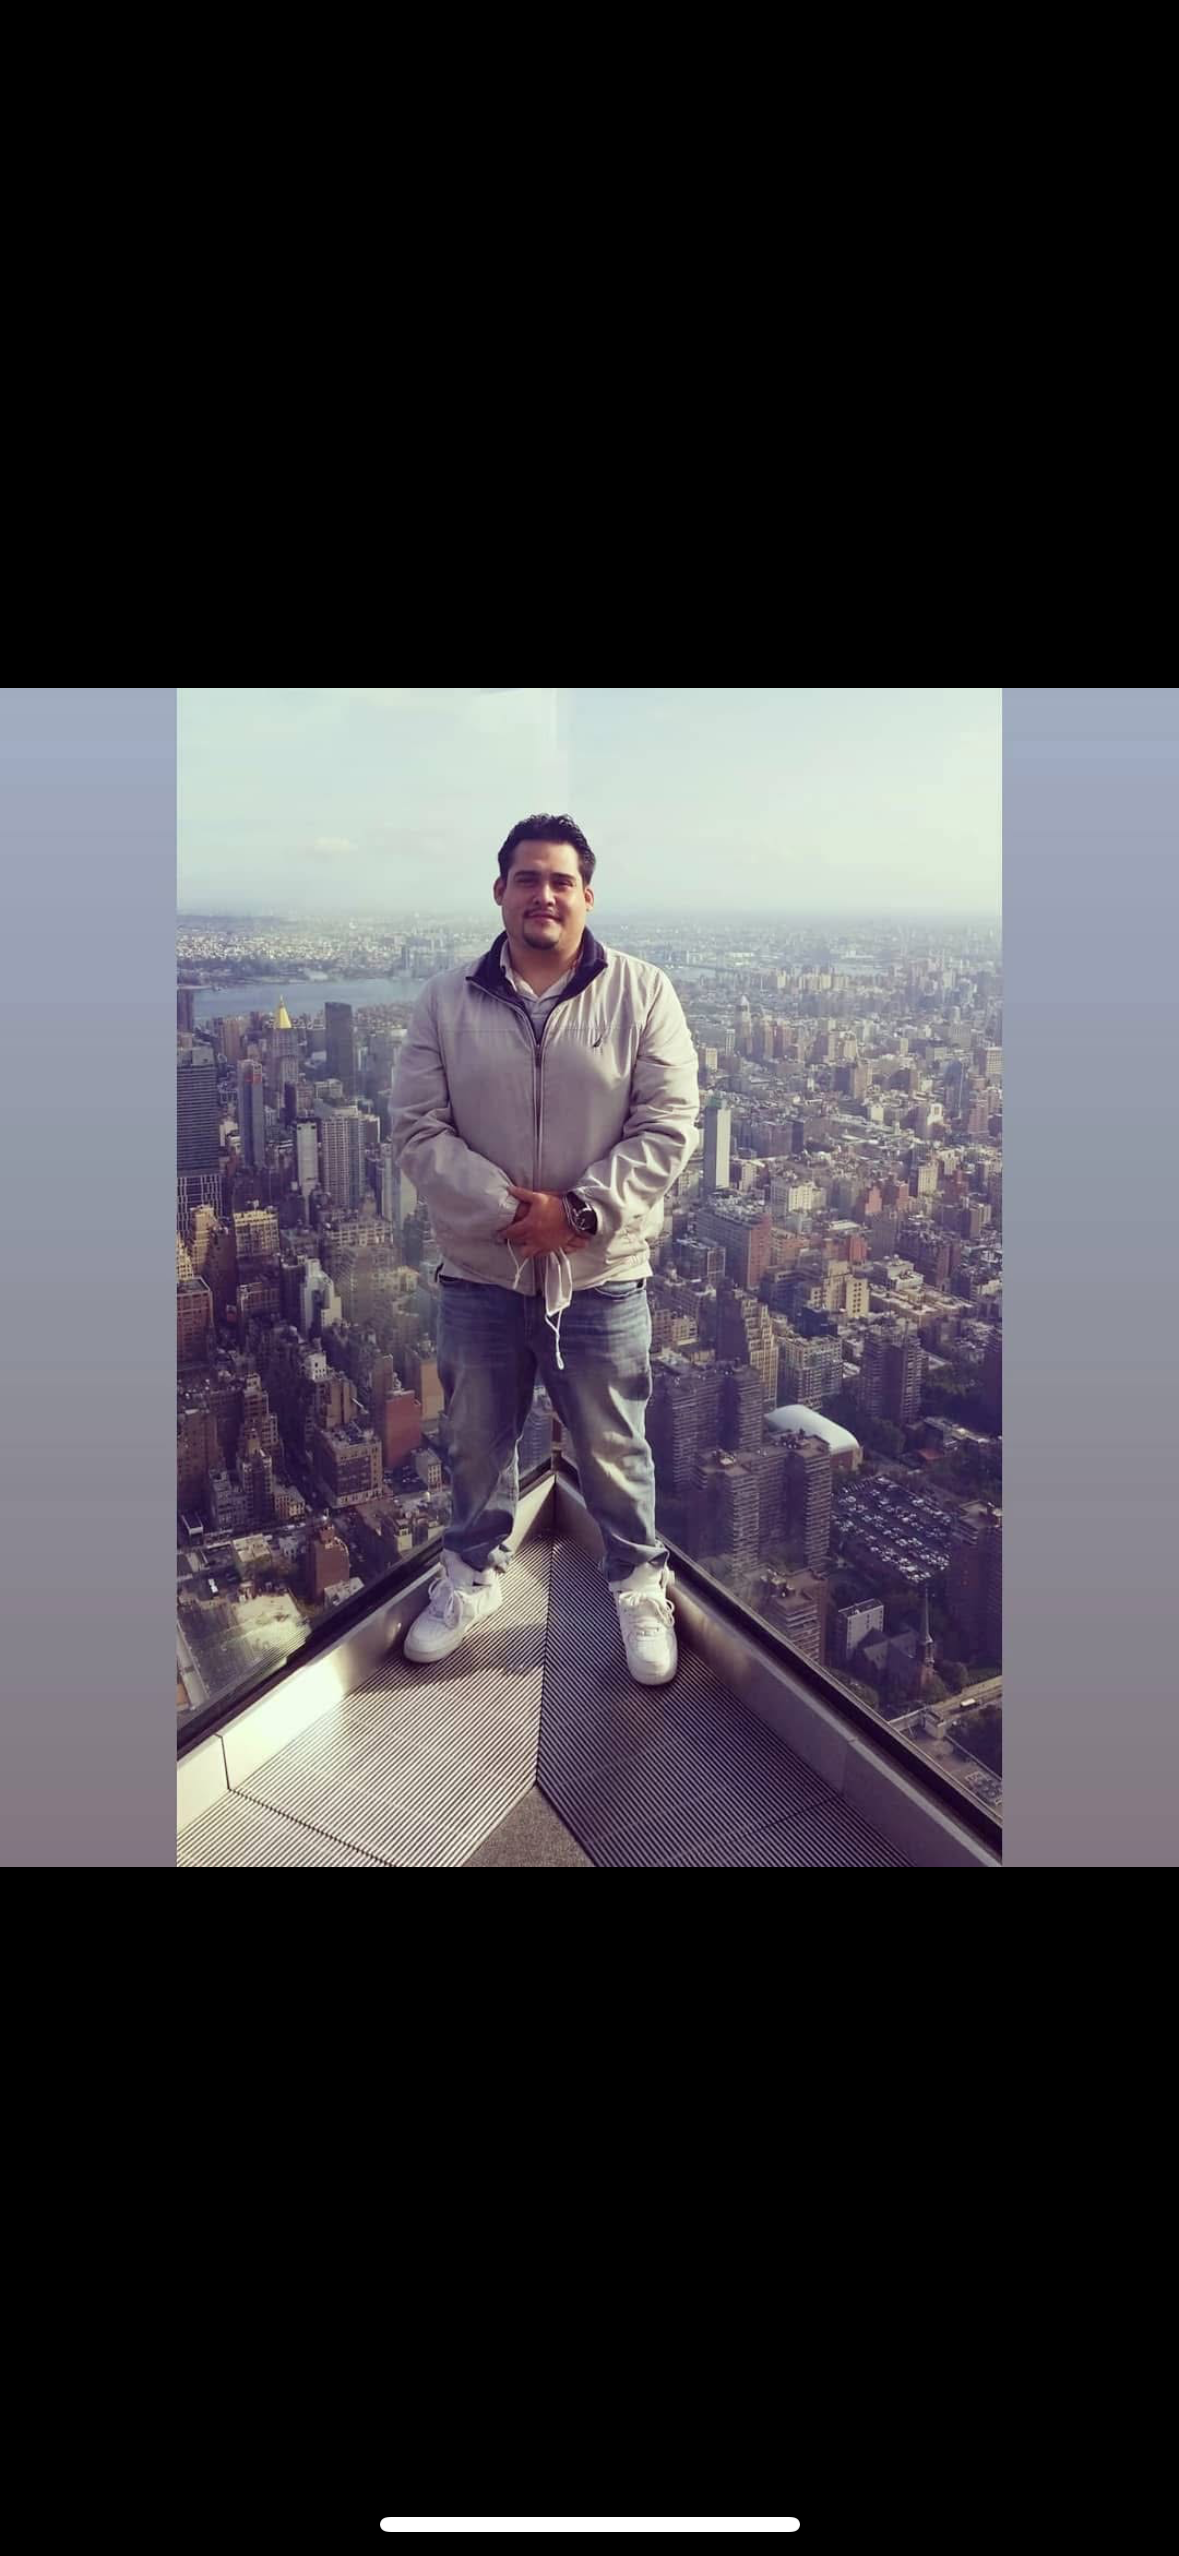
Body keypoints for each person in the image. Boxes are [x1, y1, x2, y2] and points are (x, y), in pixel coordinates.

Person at [389, 814, 700, 1683]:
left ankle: (638, 1585)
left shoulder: (642, 992)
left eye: (561, 880)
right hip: (480, 1273)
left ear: (587, 896)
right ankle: (470, 1576)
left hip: (600, 1276)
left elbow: (669, 1125)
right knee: (474, 1441)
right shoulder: (445, 1000)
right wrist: (517, 1214)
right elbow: (416, 1129)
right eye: (527, 878)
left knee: (613, 1447)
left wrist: (579, 1215)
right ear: (500, 892)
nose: (544, 894)